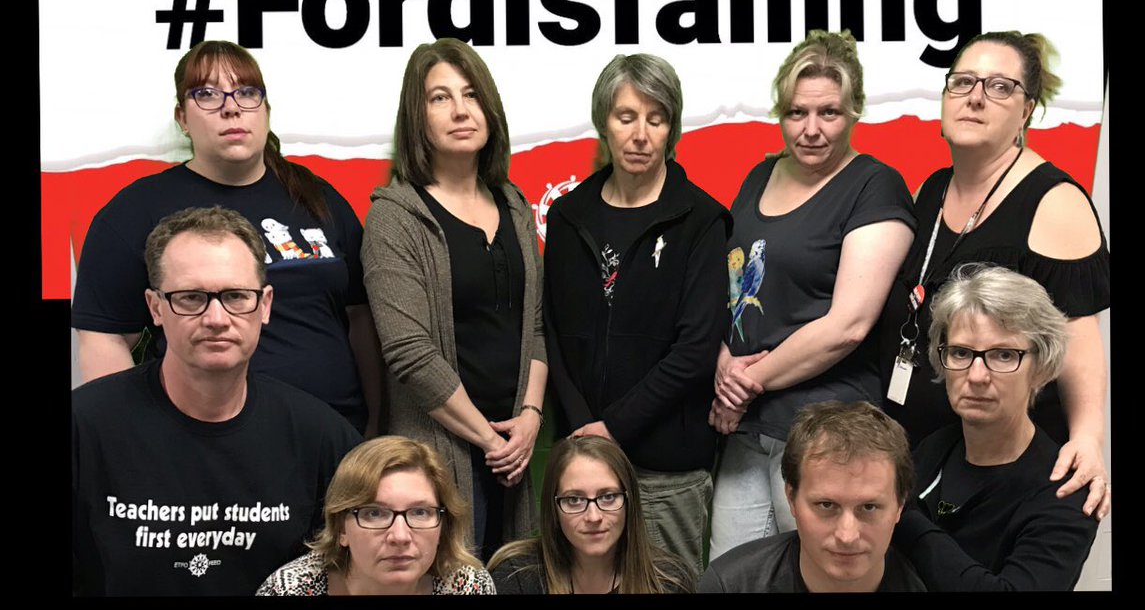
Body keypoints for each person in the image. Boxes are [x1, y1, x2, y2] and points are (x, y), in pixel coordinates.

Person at [71, 40, 383, 435]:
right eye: (207, 94)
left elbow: (361, 318)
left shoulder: (316, 197)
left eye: (247, 92)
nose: (231, 107)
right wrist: (131, 440)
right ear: (182, 118)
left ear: (266, 110)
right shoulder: (137, 210)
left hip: (339, 437)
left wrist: (376, 424)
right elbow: (105, 336)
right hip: (206, 444)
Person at [878, 31, 1111, 519]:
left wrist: (1089, 438)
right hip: (924, 457)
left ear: (1027, 110)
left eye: (1000, 86)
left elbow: (1078, 335)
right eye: (963, 82)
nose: (976, 97)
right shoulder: (933, 188)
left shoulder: (1053, 202)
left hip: (1000, 475)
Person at [72, 207, 362, 596]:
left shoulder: (321, 438)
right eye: (191, 298)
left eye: (236, 296)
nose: (216, 318)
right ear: (155, 308)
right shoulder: (84, 427)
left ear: (265, 305)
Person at [707, 30, 916, 559]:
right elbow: (731, 288)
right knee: (731, 575)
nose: (812, 129)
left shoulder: (875, 186)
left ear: (855, 112)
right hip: (746, 426)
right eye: (797, 112)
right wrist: (722, 362)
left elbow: (848, 325)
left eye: (830, 113)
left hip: (827, 430)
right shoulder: (760, 174)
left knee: (823, 572)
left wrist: (743, 383)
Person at [541, 53, 730, 573]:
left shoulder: (702, 219)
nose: (641, 135)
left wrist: (612, 428)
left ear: (672, 128)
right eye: (626, 117)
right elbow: (551, 331)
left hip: (666, 469)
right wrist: (585, 430)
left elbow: (695, 350)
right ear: (604, 122)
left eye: (656, 118)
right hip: (581, 463)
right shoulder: (568, 216)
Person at [361, 38, 546, 561]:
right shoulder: (395, 217)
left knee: (511, 578)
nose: (461, 110)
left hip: (513, 451)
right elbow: (409, 353)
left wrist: (530, 417)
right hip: (440, 454)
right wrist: (490, 441)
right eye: (440, 98)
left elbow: (534, 327)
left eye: (471, 94)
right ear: (417, 117)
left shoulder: (514, 205)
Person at [891, 264, 1099, 590]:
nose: (977, 376)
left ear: (1042, 367)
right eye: (961, 353)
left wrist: (902, 514)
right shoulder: (934, 449)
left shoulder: (1064, 491)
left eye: (1003, 355)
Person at [700, 400, 924, 592]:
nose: (847, 536)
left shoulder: (930, 583)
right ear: (791, 499)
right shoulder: (731, 585)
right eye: (826, 505)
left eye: (869, 507)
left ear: (900, 505)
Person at [257, 436, 495, 595]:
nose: (400, 536)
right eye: (375, 513)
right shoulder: (289, 589)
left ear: (443, 526)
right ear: (341, 529)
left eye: (420, 512)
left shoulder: (468, 585)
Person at [488, 436, 694, 594]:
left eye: (608, 497)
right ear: (554, 508)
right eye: (574, 500)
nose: (594, 517)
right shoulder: (516, 576)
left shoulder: (668, 581)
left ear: (629, 503)